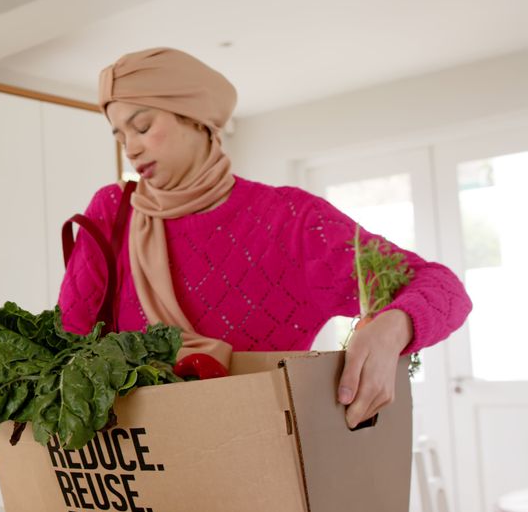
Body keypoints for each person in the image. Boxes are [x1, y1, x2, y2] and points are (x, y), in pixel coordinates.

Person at [58, 47, 472, 429]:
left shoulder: (292, 222)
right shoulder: (114, 213)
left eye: (143, 126)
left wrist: (391, 329)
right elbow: (68, 344)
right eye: (119, 135)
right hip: (139, 471)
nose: (130, 147)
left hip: (265, 467)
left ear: (196, 118)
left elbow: (441, 286)